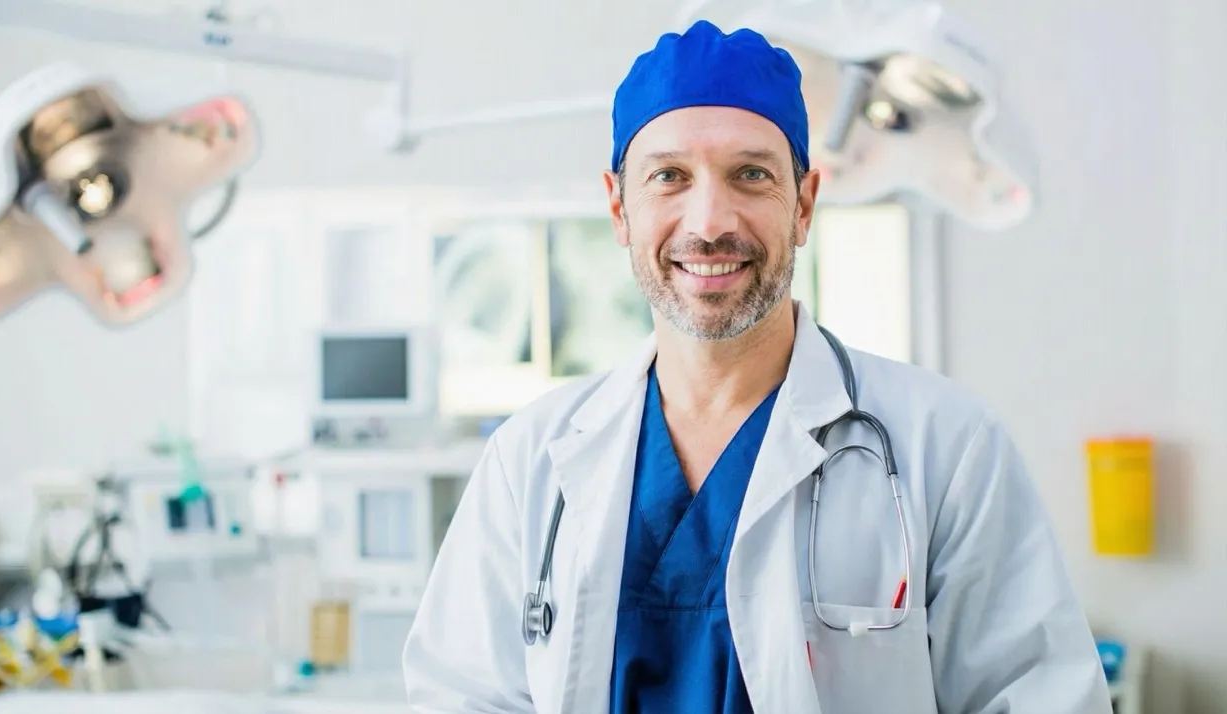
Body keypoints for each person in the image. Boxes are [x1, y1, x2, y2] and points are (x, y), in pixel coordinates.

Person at [402, 19, 1112, 714]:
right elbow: (461, 695)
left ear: (803, 205)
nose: (710, 222)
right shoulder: (529, 461)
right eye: (670, 177)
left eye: (750, 175)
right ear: (619, 209)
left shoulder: (946, 447)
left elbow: (1042, 696)